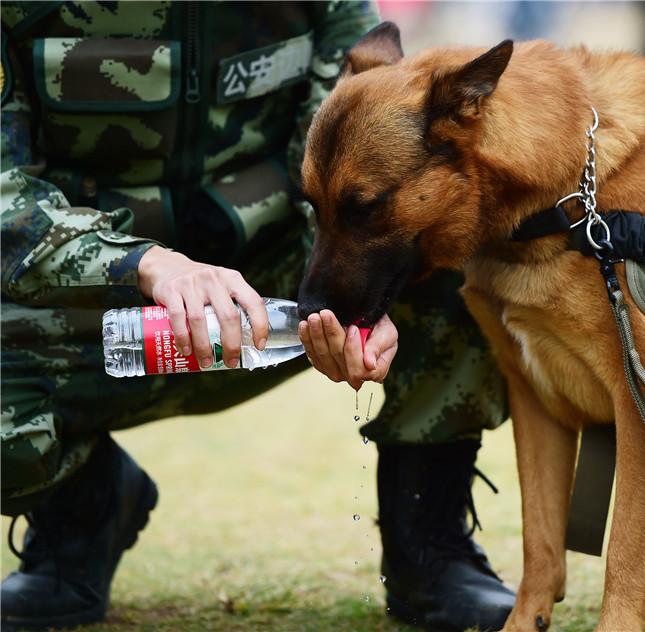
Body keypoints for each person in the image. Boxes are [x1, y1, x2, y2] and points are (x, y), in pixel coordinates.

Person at [0, 2, 513, 631]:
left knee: (445, 220)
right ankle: (81, 510)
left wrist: (363, 296)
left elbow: (357, 137)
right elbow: (3, 196)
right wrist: (144, 264)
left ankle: (429, 543)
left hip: (274, 278)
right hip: (85, 295)